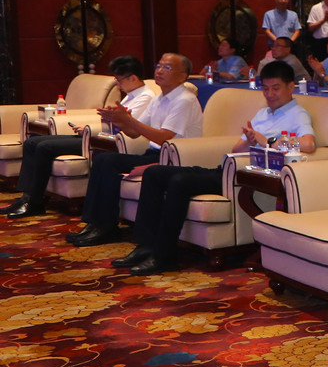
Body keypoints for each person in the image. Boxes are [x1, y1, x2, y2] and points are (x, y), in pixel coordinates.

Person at [111, 60, 314, 275]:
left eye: (276, 88)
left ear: (290, 87)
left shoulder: (297, 114)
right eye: (265, 89)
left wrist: (268, 141)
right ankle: (145, 245)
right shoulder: (263, 113)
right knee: (154, 173)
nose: (270, 94)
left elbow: (308, 144)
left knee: (179, 181)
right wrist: (250, 140)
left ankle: (164, 255)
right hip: (225, 169)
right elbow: (237, 148)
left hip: (241, 176)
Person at [64, 54, 205, 245]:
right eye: (158, 65)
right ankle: (95, 223)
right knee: (103, 159)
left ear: (182, 76)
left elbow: (164, 137)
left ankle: (106, 227)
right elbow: (134, 133)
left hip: (175, 158)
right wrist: (119, 120)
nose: (159, 71)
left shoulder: (184, 100)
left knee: (109, 162)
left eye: (167, 68)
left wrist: (128, 120)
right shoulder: (158, 99)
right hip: (155, 153)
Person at [7, 55, 153, 219]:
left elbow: (129, 127)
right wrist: (90, 128)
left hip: (107, 143)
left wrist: (97, 128)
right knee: (32, 143)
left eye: (119, 80)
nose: (117, 84)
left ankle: (34, 201)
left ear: (133, 78)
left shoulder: (145, 97)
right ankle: (26, 197)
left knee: (44, 147)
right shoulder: (130, 95)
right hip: (98, 137)